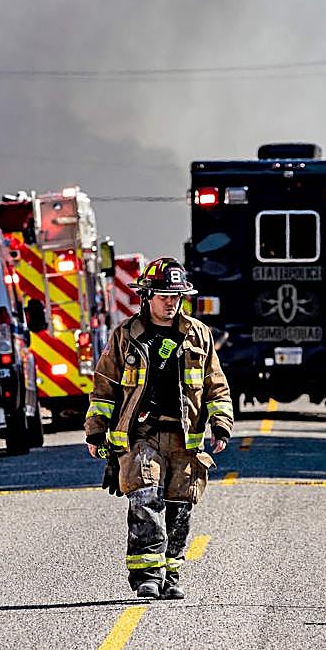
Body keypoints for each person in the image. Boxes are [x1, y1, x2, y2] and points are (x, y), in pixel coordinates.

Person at [84, 257, 233, 600]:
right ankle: (147, 575)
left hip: (185, 438)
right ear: (147, 296)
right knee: (145, 498)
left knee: (180, 506)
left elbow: (216, 384)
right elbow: (104, 386)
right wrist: (96, 431)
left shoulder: (198, 335)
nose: (171, 302)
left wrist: (221, 424)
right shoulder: (125, 335)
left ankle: (171, 574)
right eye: (164, 295)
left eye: (176, 296)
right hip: (141, 435)